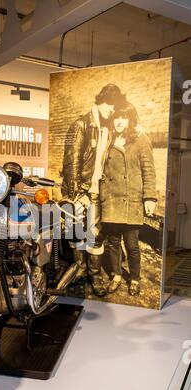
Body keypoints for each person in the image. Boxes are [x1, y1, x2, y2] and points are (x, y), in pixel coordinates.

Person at [61, 84, 125, 296]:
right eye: (108, 103)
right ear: (99, 101)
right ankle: (79, 271)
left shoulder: (108, 128)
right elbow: (71, 160)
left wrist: (138, 129)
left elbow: (129, 122)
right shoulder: (81, 124)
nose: (111, 108)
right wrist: (76, 191)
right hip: (81, 190)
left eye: (114, 105)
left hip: (98, 189)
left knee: (96, 235)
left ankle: (94, 274)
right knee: (79, 232)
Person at [100, 101, 157, 296]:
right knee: (113, 243)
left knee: (132, 246)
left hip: (132, 201)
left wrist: (150, 197)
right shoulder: (107, 140)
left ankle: (134, 278)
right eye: (116, 117)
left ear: (130, 119)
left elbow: (148, 170)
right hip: (112, 202)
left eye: (124, 117)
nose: (119, 122)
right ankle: (116, 275)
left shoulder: (141, 140)